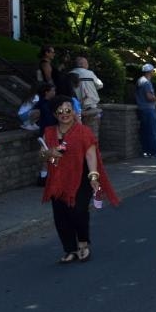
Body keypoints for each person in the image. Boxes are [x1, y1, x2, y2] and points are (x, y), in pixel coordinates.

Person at [41, 97, 119, 263]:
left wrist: (93, 176)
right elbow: (44, 155)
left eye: (68, 110)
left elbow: (91, 155)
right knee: (61, 216)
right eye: (60, 111)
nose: (64, 114)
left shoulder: (84, 132)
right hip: (58, 180)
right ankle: (70, 249)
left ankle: (83, 244)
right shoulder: (49, 132)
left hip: (81, 178)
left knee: (78, 211)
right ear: (55, 114)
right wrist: (49, 154)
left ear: (74, 111)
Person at [69, 57, 104, 137]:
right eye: (87, 63)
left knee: (76, 132)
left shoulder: (70, 74)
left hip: (75, 108)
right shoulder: (89, 73)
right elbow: (100, 85)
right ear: (82, 64)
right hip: (90, 108)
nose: (87, 65)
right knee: (91, 133)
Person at [136, 64, 156, 157]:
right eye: (153, 71)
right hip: (149, 109)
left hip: (142, 109)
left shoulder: (140, 80)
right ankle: (154, 152)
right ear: (149, 72)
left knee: (145, 131)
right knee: (153, 131)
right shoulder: (146, 82)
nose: (154, 72)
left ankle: (146, 151)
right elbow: (149, 97)